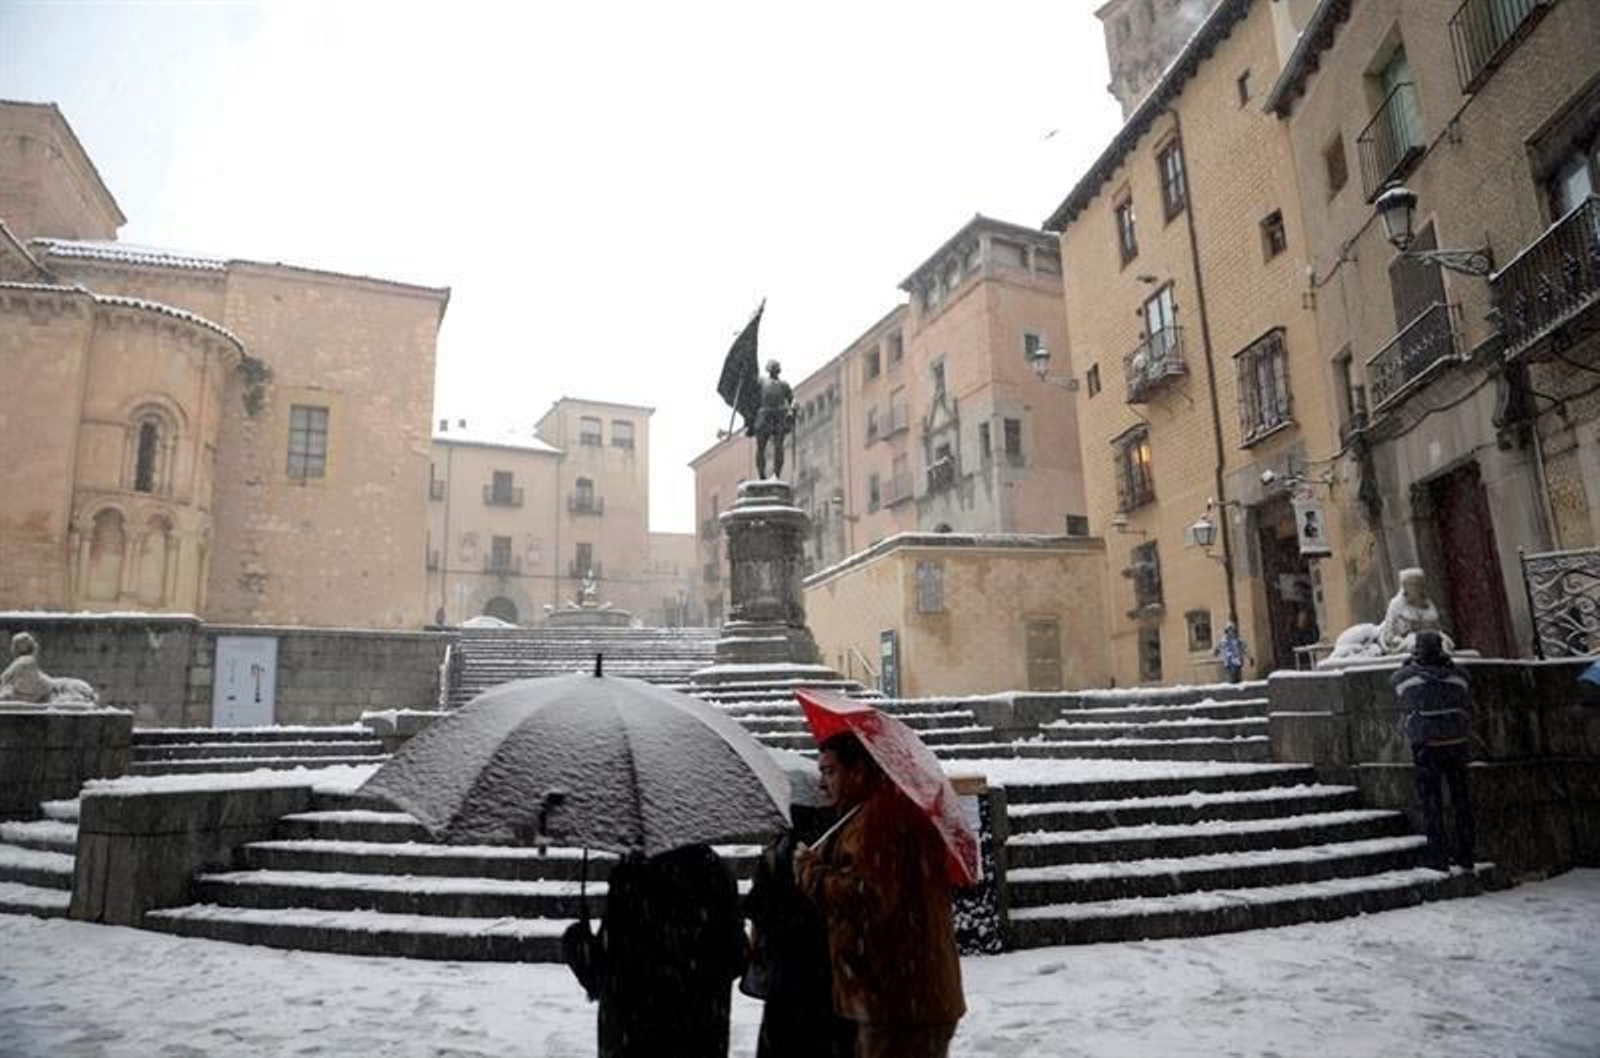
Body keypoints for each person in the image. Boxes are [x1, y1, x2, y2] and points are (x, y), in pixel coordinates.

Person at [796, 732, 965, 1058]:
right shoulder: (879, 811)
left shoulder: (878, 820)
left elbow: (867, 898)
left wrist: (811, 873)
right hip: (911, 996)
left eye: (830, 772)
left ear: (859, 770)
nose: (821, 784)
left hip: (897, 1000)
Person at [562, 843, 747, 1058]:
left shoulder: (630, 877)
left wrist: (577, 942)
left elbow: (601, 972)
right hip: (700, 1036)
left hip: (633, 1037)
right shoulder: (717, 873)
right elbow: (737, 958)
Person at [746, 802, 856, 1058]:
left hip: (786, 983)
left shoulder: (779, 852)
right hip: (833, 980)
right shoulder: (840, 844)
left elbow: (758, 915)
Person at [1391, 630, 1475, 872]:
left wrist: (1408, 665)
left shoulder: (1410, 678)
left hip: (1427, 745)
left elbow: (1395, 684)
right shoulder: (1457, 677)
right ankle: (1466, 853)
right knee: (1462, 802)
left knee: (1432, 802)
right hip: (1457, 743)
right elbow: (1466, 683)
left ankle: (1438, 854)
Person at [750, 359, 796, 480]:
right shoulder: (761, 381)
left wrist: (791, 410)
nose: (774, 369)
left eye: (776, 367)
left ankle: (776, 474)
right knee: (760, 447)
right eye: (772, 367)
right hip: (764, 415)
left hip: (779, 416)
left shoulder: (784, 385)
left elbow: (793, 399)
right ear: (768, 369)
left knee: (778, 447)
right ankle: (761, 475)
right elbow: (750, 388)